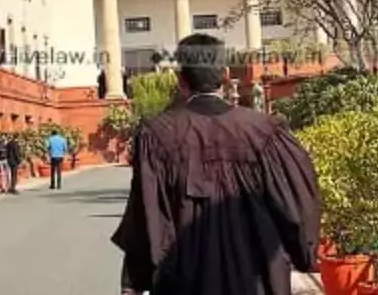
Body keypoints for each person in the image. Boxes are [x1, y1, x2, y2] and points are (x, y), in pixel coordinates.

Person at [112, 33, 320, 295]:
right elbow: (298, 205)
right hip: (257, 278)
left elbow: (147, 214)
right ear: (226, 76)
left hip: (185, 281)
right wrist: (302, 253)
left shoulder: (156, 135)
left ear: (181, 79)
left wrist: (134, 281)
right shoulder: (265, 131)